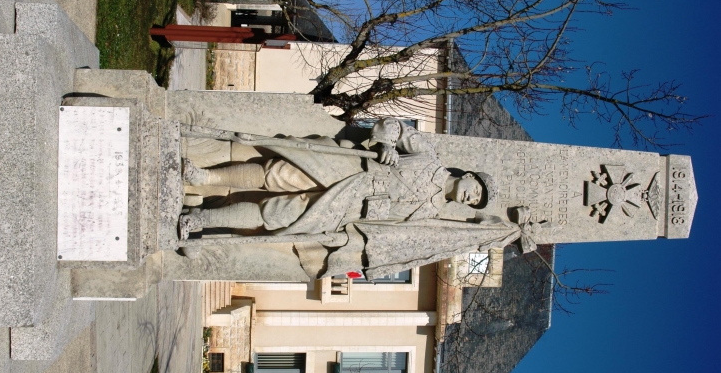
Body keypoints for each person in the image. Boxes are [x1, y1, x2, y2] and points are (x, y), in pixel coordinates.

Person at [179, 118, 522, 279]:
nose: (471, 196)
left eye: (474, 201)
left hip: (346, 209)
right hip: (349, 169)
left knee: (276, 216)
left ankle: (201, 221)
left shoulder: (429, 214)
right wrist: (387, 144)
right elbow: (395, 127)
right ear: (468, 175)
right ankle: (205, 177)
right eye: (475, 188)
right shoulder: (428, 156)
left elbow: (389, 233)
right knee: (278, 173)